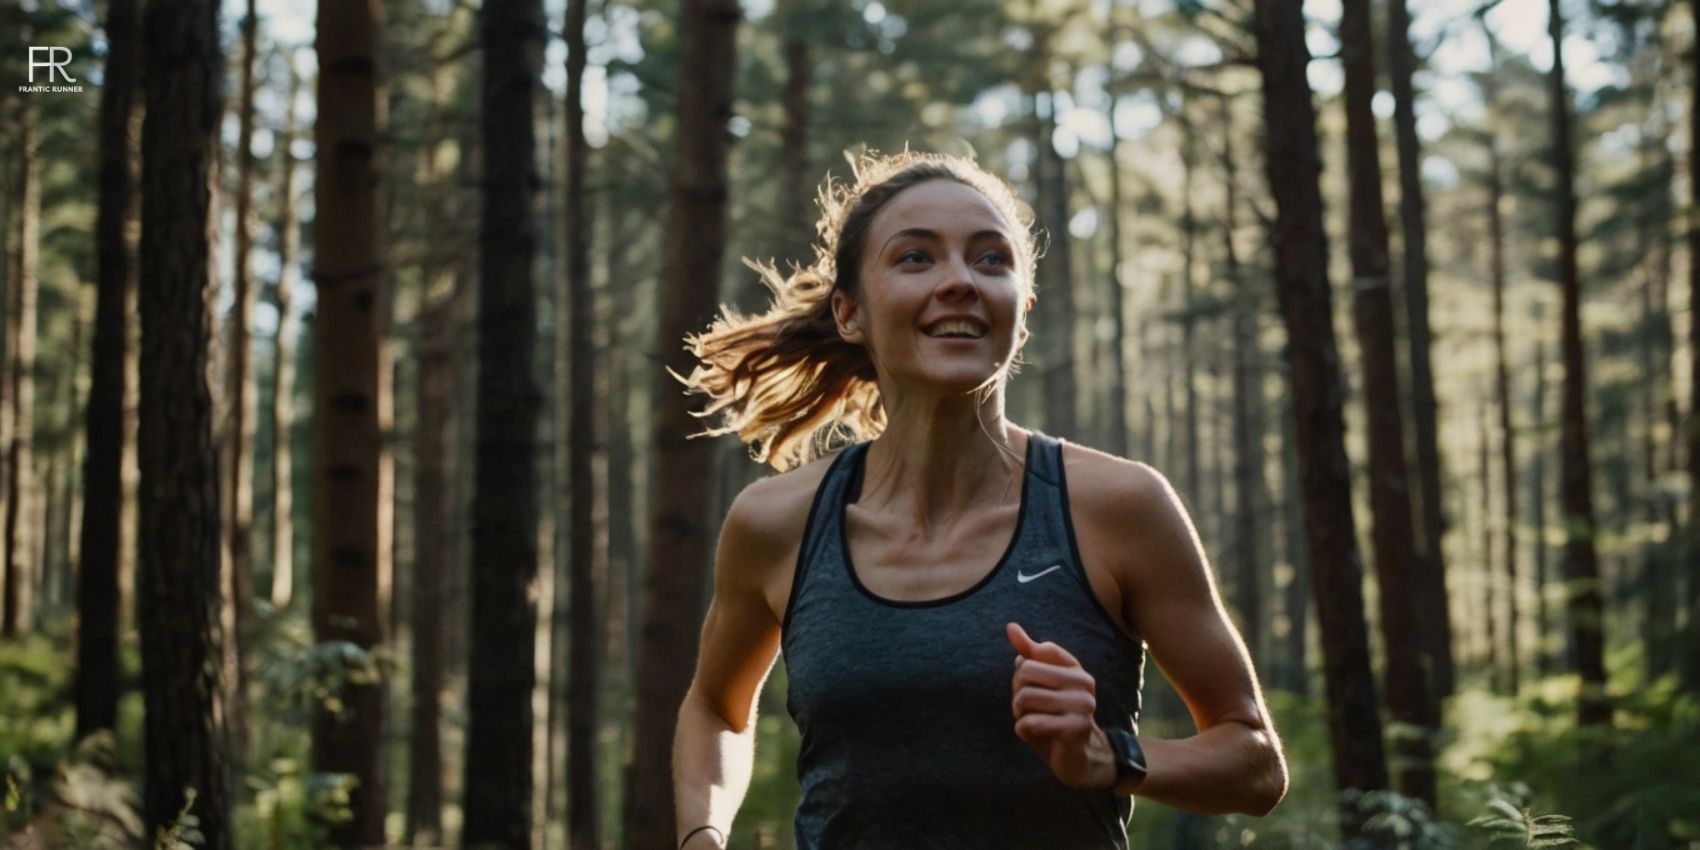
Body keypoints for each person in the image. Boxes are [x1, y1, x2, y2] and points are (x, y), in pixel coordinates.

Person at [670, 149, 1288, 850]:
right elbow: (716, 710)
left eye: (991, 260)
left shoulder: (1117, 507)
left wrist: (1107, 755)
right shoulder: (776, 523)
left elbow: (1255, 763)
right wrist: (703, 836)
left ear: (1020, 315)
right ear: (850, 313)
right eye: (916, 259)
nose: (960, 280)